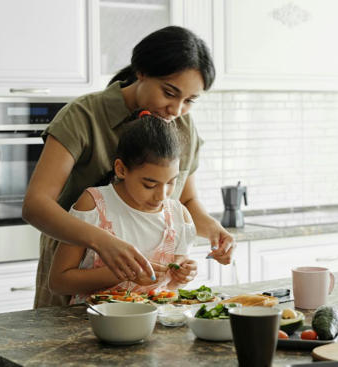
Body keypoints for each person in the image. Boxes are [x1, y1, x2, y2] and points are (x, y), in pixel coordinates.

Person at [22, 25, 235, 307]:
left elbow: (186, 200)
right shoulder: (83, 116)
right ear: (141, 72)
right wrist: (102, 242)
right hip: (76, 276)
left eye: (189, 101)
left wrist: (214, 230)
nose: (176, 109)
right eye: (169, 93)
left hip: (146, 296)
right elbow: (35, 205)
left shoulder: (182, 125)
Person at [49, 112, 197, 303]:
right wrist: (123, 273)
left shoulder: (179, 216)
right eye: (150, 184)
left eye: (171, 183)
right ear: (121, 169)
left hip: (155, 324)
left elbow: (170, 288)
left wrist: (183, 276)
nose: (162, 195)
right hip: (93, 324)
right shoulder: (94, 205)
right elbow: (58, 282)